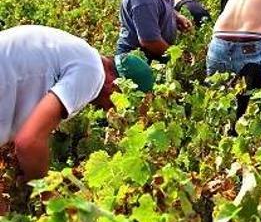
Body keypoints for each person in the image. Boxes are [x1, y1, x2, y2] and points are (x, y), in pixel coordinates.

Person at [1, 25, 153, 181]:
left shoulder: (78, 54)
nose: (111, 111)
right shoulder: (93, 73)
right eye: (119, 104)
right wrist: (45, 196)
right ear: (115, 84)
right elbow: (29, 142)